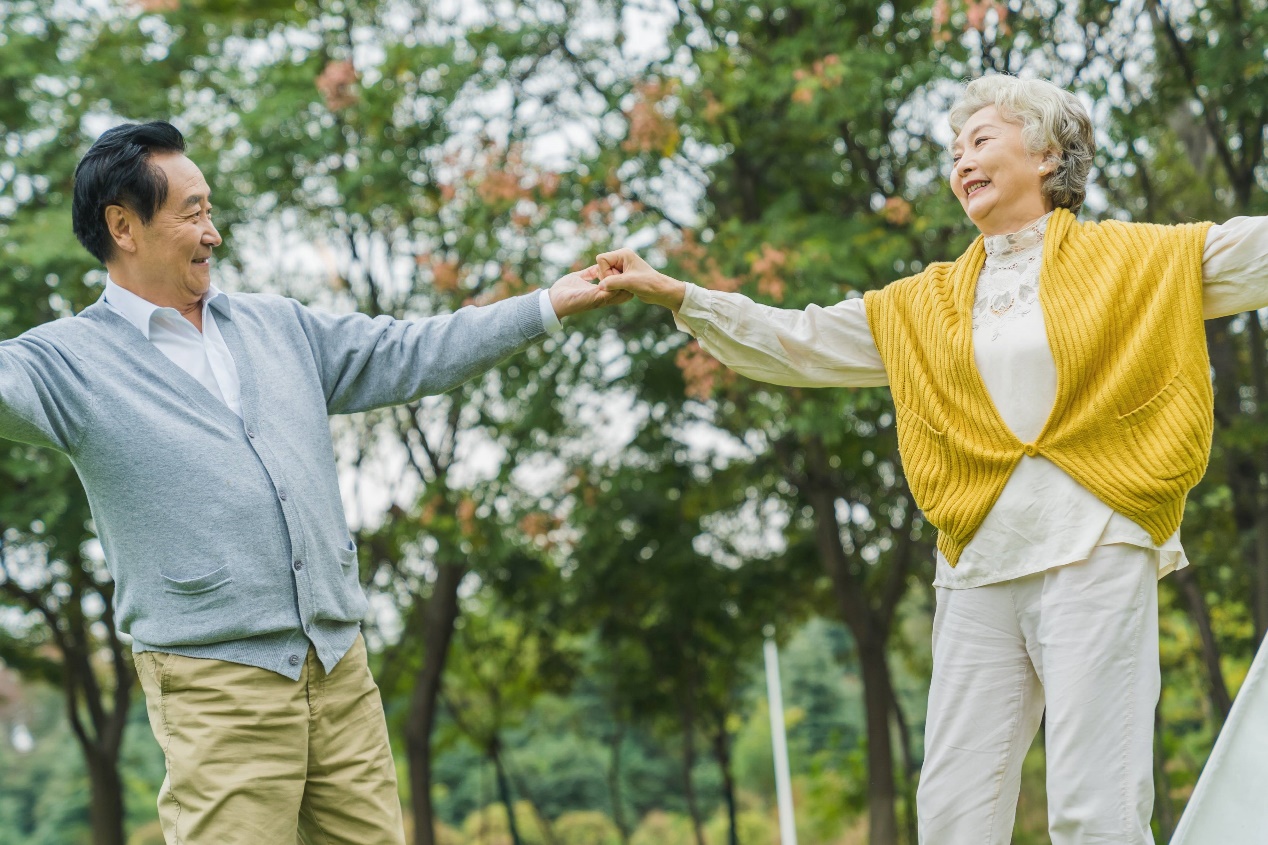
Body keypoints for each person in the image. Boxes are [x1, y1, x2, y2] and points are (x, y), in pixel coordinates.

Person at [594, 74, 1268, 844]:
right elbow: (800, 340)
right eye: (955, 152)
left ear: (1047, 155)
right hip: (977, 567)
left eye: (981, 140)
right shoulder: (927, 302)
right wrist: (681, 296)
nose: (962, 163)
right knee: (952, 814)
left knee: (1094, 811)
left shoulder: (1138, 258)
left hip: (1095, 549)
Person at [0, 120, 624, 844]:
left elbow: (408, 351)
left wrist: (544, 305)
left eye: (211, 210)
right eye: (194, 212)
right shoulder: (67, 363)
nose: (215, 233)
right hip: (215, 683)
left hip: (338, 667)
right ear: (124, 226)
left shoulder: (278, 326)